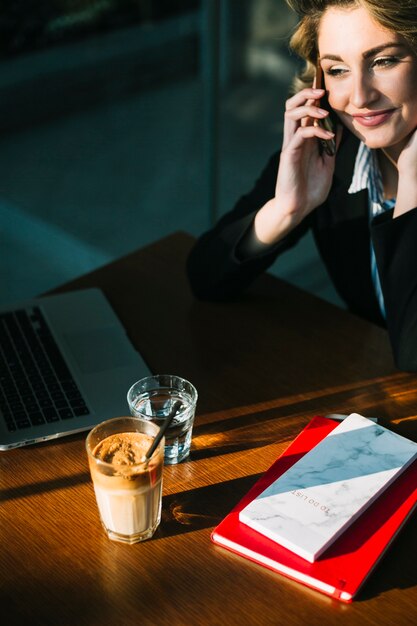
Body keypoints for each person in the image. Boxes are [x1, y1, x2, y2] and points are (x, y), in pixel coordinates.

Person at [186, 0, 417, 372]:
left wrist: (413, 188)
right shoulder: (330, 154)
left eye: (384, 61)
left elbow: (412, 360)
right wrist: (287, 209)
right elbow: (204, 278)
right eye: (337, 69)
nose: (359, 97)